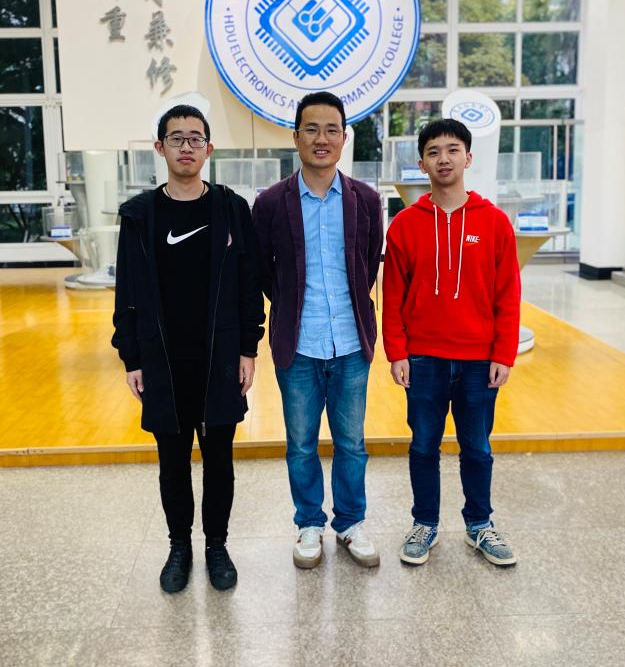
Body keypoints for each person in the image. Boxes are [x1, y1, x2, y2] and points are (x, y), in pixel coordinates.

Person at [111, 104, 264, 593]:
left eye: (195, 138)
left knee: (219, 460)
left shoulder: (230, 208)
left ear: (209, 149)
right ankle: (179, 546)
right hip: (163, 360)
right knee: (172, 462)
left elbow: (248, 284)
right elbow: (126, 291)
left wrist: (248, 348)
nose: (186, 147)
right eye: (176, 138)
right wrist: (132, 357)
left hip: (219, 357)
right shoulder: (140, 216)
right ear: (160, 148)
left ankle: (217, 545)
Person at [252, 91, 384, 569]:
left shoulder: (366, 200)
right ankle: (309, 522)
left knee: (352, 443)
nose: (321, 139)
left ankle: (349, 523)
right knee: (301, 444)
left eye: (331, 129)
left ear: (344, 138)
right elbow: (262, 270)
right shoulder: (271, 203)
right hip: (299, 344)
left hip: (350, 341)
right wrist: (289, 305)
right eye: (311, 129)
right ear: (296, 137)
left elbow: (368, 265)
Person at [382, 118, 521, 567]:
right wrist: (397, 352)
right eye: (434, 152)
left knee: (477, 447)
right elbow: (392, 295)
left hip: (479, 360)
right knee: (423, 445)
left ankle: (480, 525)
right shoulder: (405, 225)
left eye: (453, 149)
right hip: (424, 358)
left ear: (468, 157)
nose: (444, 158)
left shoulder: (494, 222)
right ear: (422, 163)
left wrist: (503, 354)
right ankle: (425, 523)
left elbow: (508, 295)